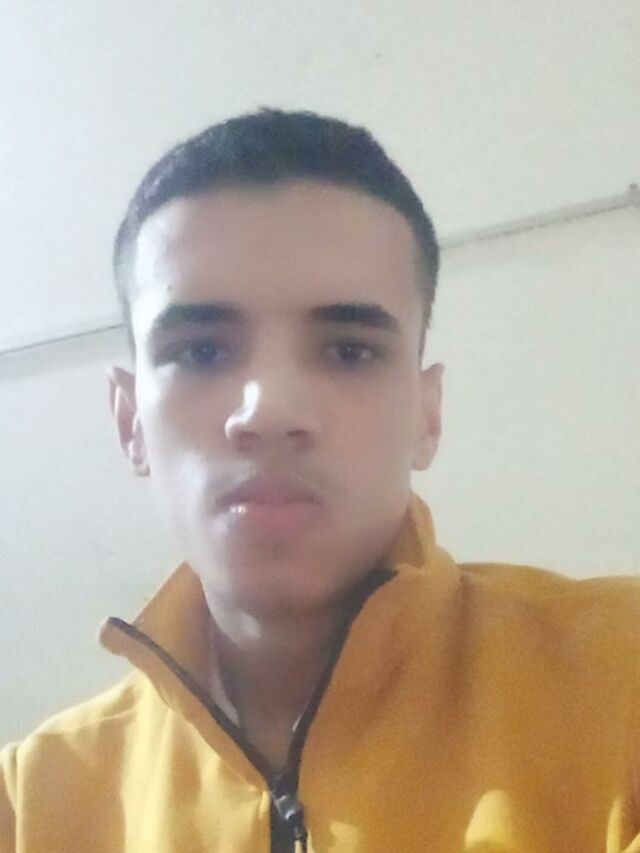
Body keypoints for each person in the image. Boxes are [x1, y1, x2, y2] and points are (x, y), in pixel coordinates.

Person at [1, 108, 639, 853]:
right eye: (201, 351)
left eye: (348, 351)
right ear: (129, 420)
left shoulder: (622, 681)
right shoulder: (31, 804)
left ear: (426, 414)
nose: (267, 410)